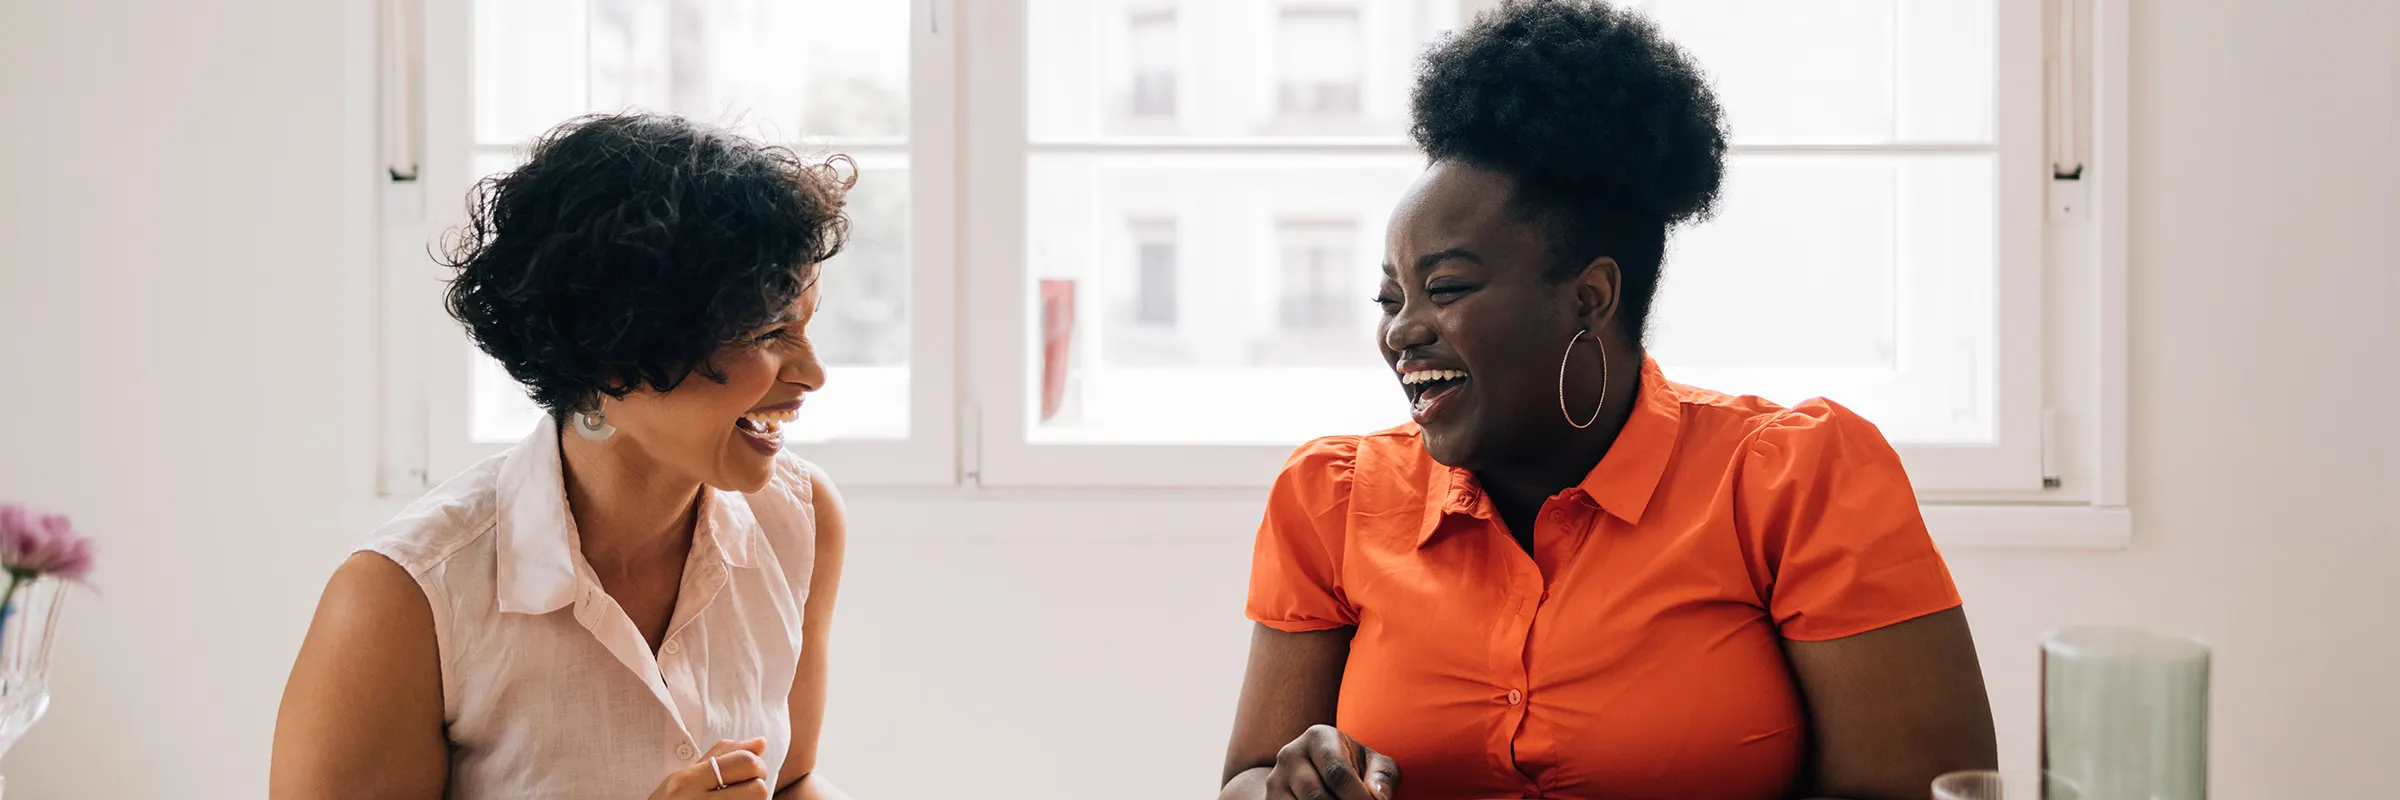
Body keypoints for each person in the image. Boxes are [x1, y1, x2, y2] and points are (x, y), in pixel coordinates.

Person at [1219, 3, 1998, 799]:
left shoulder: (1793, 483)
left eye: (1445, 287)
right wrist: (1291, 785)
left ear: (1590, 297)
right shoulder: (1331, 499)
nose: (1402, 332)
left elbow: (1928, 788)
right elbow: (1246, 780)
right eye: (1390, 299)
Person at [272, 113, 855, 800]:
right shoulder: (404, 599)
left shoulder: (799, 517)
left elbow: (793, 783)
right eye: (768, 332)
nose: (812, 374)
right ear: (617, 351)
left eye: (806, 326)